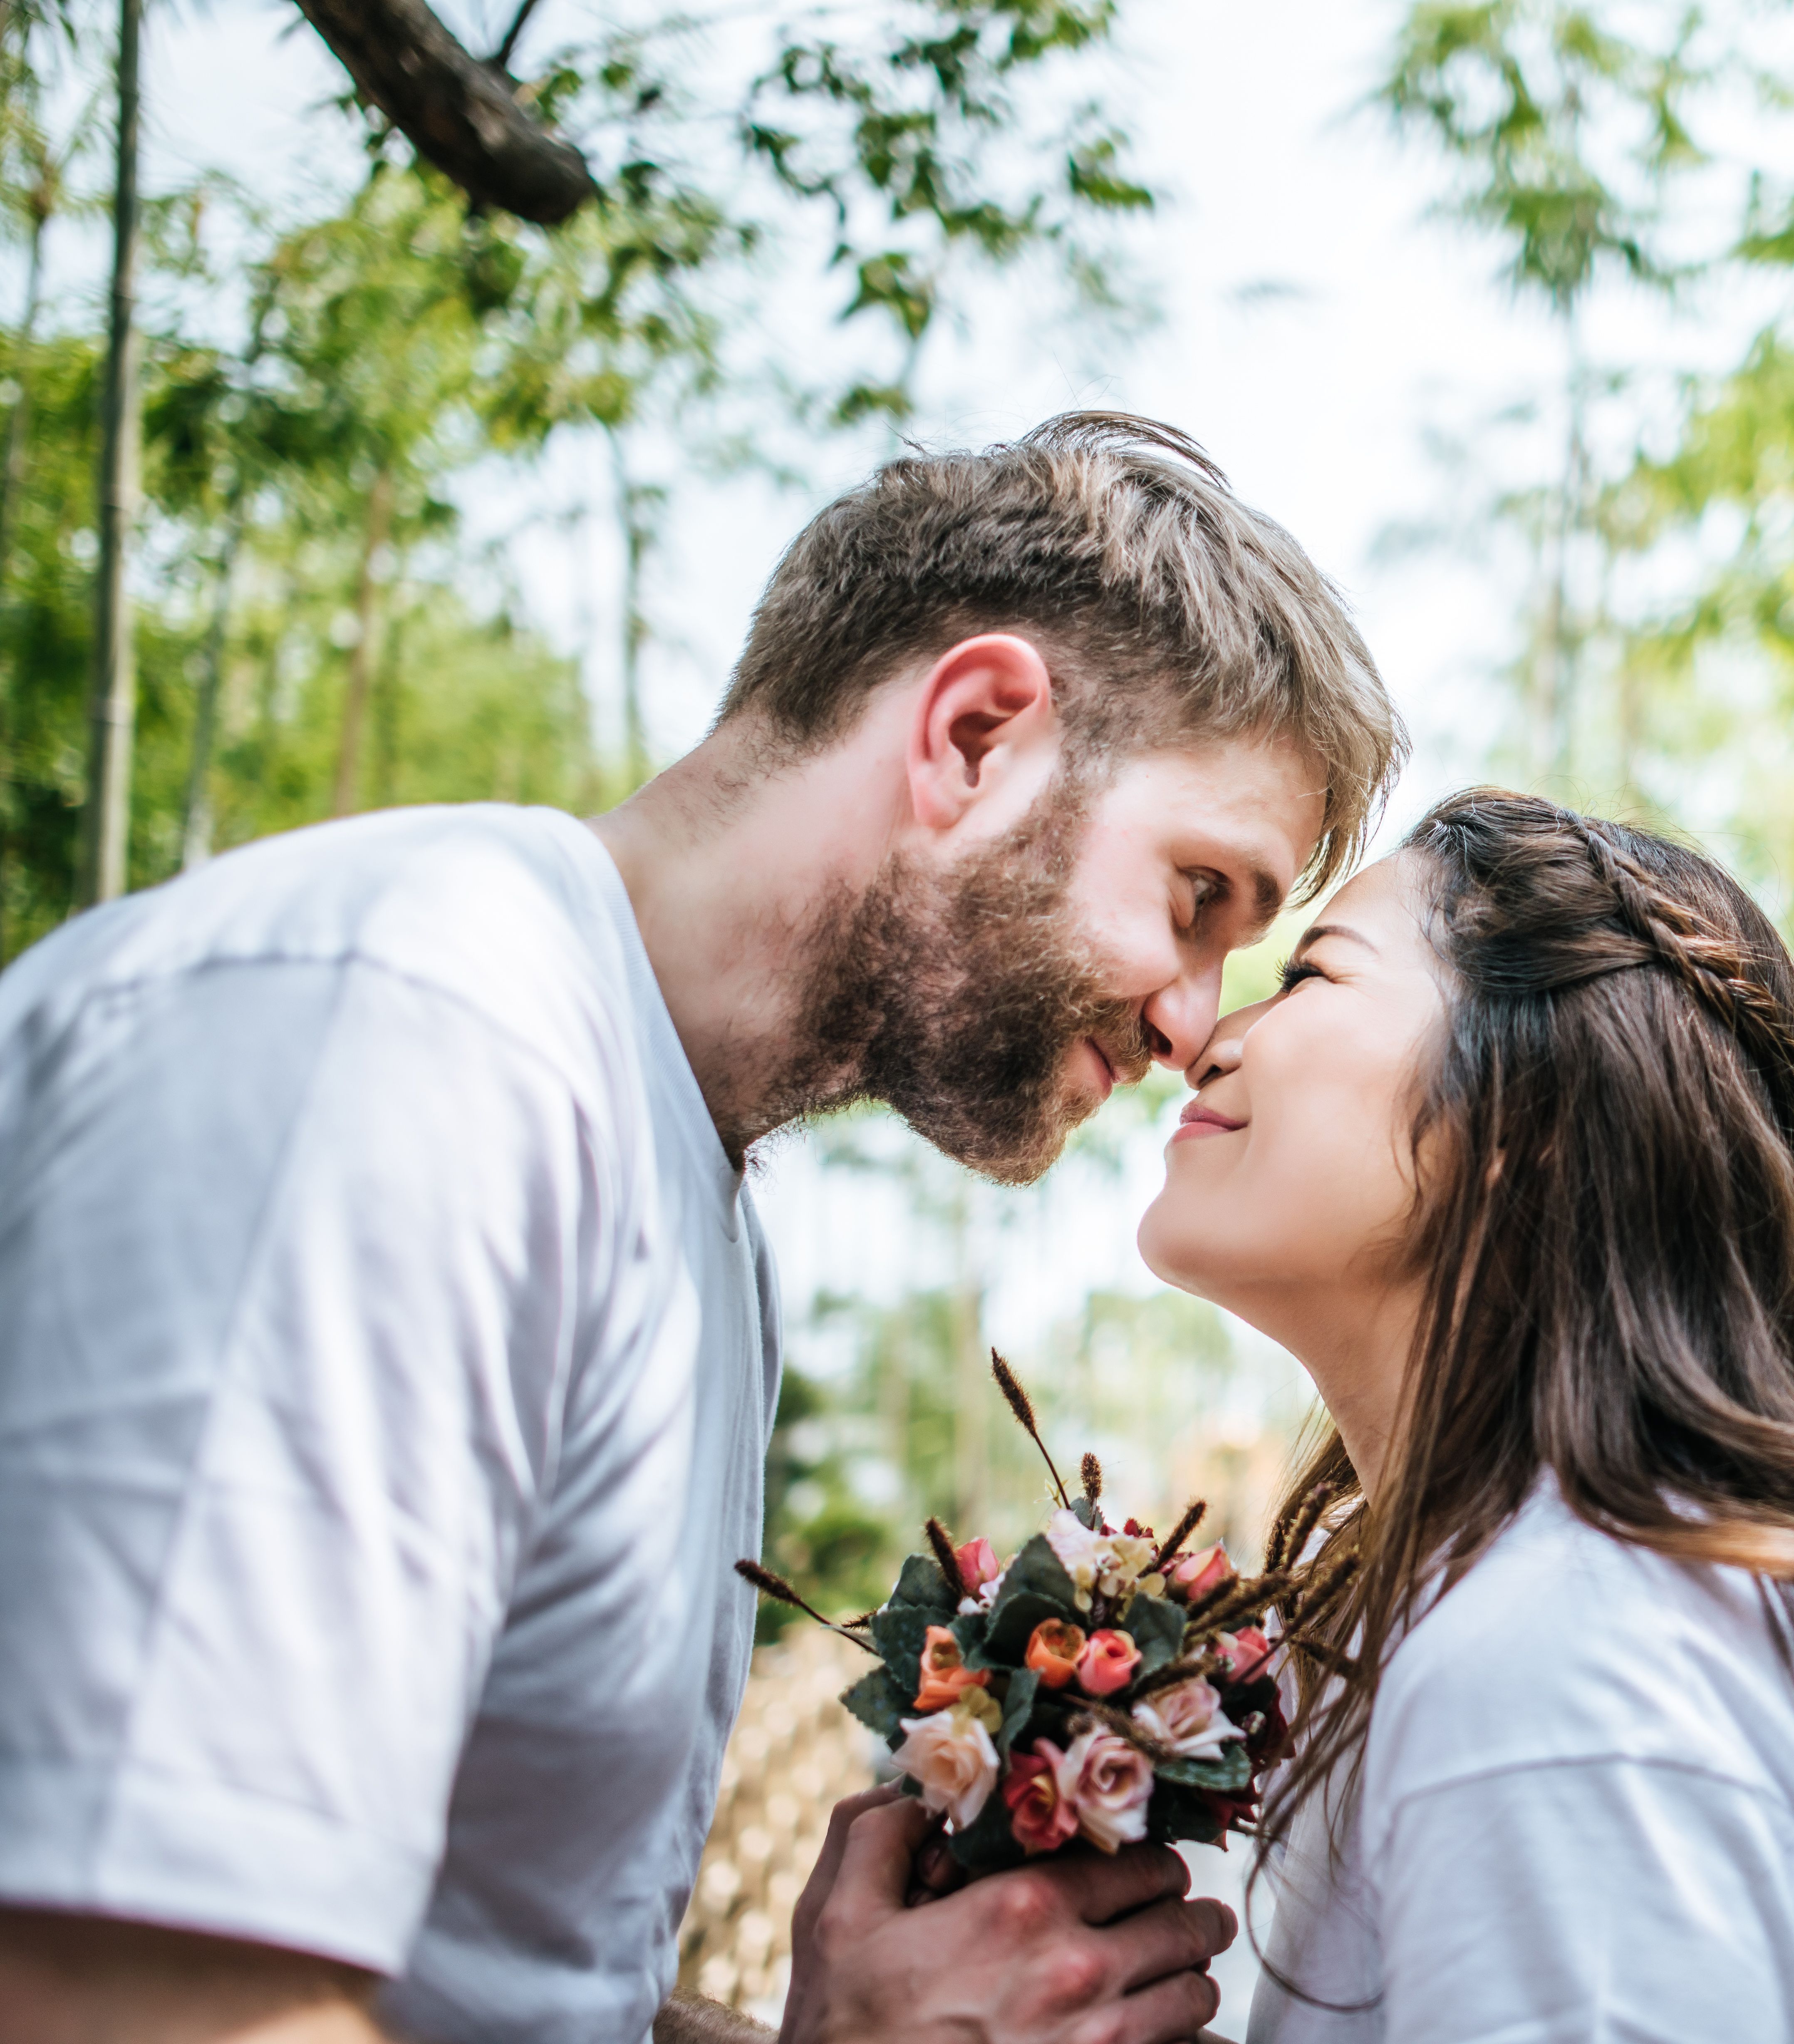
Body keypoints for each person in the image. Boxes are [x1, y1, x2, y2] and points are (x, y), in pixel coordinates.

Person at [0, 414, 1404, 2044]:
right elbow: (125, 1994)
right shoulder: (415, 1043)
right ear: (972, 736)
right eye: (1194, 899)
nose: (1190, 1023)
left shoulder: (692, 1202)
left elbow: (490, 1985)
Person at [1136, 789, 1794, 2043]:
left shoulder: (1562, 1651)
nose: (1207, 1033)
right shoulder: (1480, 1607)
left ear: (1521, 1122)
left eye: (1313, 974)